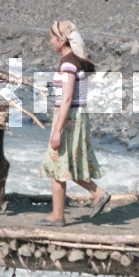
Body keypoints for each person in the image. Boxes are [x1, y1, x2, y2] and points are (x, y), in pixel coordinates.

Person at [37, 20, 111, 226]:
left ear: (61, 40)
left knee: (56, 164)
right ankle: (62, 213)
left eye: (52, 38)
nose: (50, 42)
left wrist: (57, 130)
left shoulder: (68, 63)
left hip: (68, 118)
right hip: (75, 116)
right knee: (63, 164)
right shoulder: (77, 60)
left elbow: (67, 98)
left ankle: (91, 197)